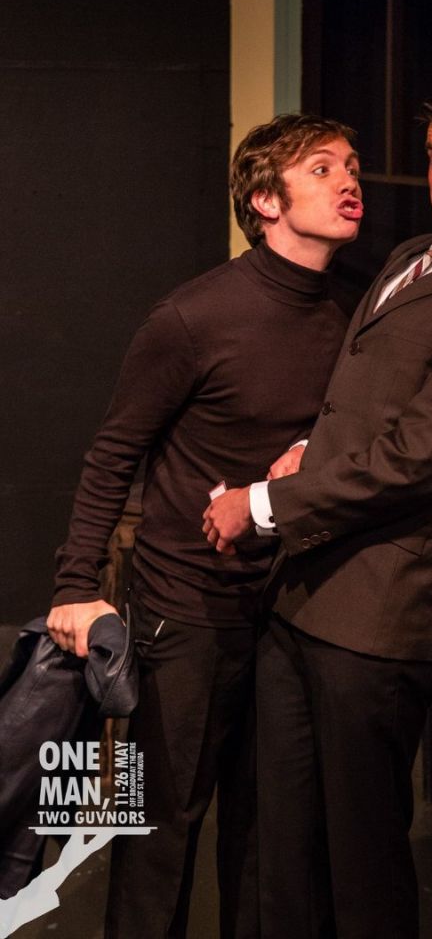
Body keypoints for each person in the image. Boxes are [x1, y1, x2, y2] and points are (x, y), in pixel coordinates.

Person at [203, 80, 432, 939]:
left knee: (360, 865)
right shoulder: (408, 257)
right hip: (302, 596)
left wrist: (264, 502)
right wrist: (307, 447)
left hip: (379, 616)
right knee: (280, 849)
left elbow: (412, 462)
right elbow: (361, 404)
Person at [46, 112, 363, 938]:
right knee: (162, 826)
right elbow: (114, 452)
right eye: (322, 168)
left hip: (292, 607)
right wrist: (76, 585)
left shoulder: (353, 311)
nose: (348, 180)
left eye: (351, 165)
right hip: (186, 609)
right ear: (265, 200)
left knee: (267, 831)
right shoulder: (193, 317)